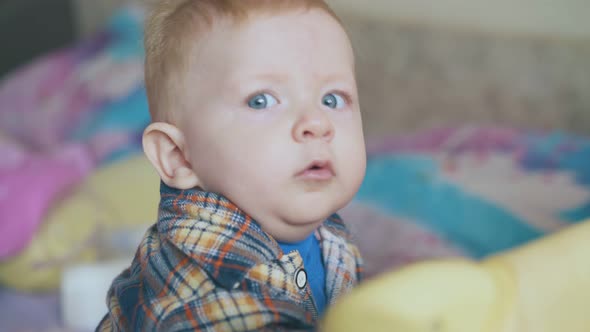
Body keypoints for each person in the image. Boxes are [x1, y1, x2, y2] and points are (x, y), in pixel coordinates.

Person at [97, 0, 366, 330]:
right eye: (261, 100)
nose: (317, 122)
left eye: (332, 99)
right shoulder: (205, 304)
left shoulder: (329, 238)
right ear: (178, 156)